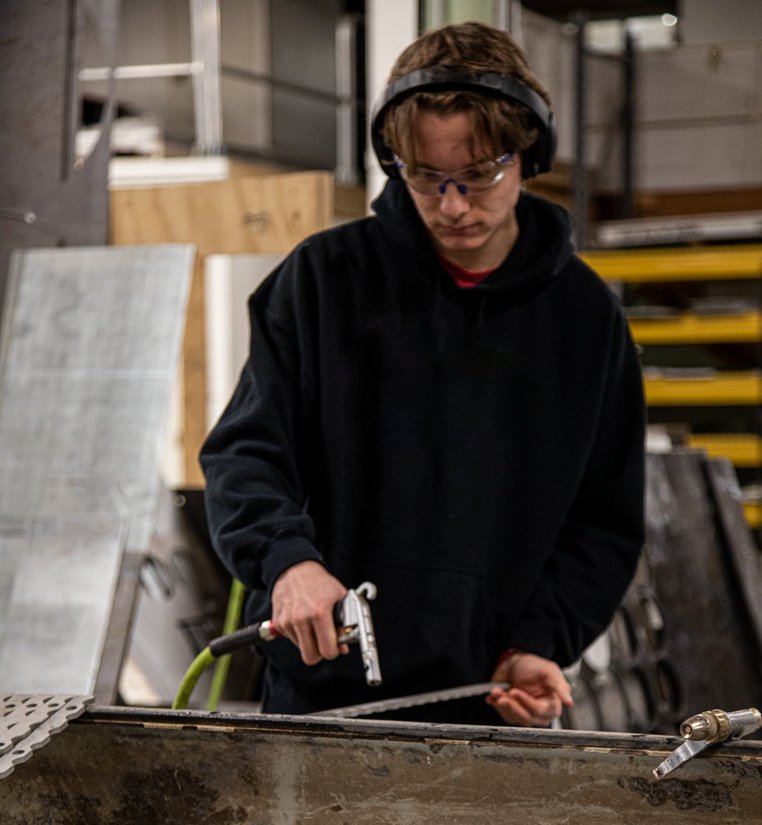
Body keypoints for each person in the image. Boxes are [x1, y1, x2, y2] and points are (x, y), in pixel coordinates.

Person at [200, 21, 646, 728]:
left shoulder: (586, 322)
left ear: (529, 154)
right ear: (394, 162)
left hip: (488, 698)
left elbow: (603, 521)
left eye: (478, 176)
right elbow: (245, 455)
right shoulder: (320, 282)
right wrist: (288, 563)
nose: (453, 206)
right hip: (320, 691)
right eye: (426, 178)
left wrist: (541, 641)